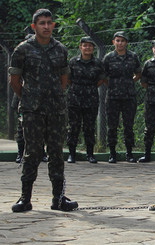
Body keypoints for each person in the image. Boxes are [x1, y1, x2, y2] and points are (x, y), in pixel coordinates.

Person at [8, 9, 78, 212]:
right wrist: (29, 98)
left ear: (53, 25)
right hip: (32, 110)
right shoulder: (23, 50)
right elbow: (15, 80)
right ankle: (25, 198)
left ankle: (59, 198)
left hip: (56, 109)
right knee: (32, 153)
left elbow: (64, 78)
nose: (46, 26)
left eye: (49, 23)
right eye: (41, 23)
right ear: (34, 26)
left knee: (56, 153)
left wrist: (55, 95)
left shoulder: (60, 49)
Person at [103, 31, 141, 163]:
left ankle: (129, 153)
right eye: (117, 40)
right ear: (114, 42)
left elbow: (138, 73)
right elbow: (104, 77)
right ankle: (112, 154)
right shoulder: (108, 58)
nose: (120, 43)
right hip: (113, 97)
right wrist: (113, 86)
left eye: (122, 41)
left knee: (128, 126)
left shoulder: (132, 56)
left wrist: (129, 83)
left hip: (129, 97)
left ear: (126, 43)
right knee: (112, 126)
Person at [66, 36, 106, 164]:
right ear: (80, 47)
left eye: (90, 45)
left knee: (89, 128)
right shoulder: (73, 62)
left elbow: (100, 80)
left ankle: (90, 154)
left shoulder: (98, 63)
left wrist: (89, 88)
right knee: (73, 127)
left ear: (93, 48)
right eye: (85, 45)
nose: (87, 48)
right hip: (74, 99)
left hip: (91, 99)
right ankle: (72, 154)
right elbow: (68, 79)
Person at [12, 33, 48, 164]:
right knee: (22, 127)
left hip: (41, 98)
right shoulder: (19, 57)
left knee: (42, 127)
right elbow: (14, 80)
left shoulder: (42, 58)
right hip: (24, 97)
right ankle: (20, 153)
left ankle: (42, 152)